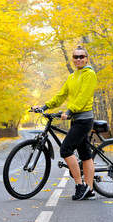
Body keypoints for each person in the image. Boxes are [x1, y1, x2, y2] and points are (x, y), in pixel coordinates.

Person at [33, 46, 97, 200]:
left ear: (87, 58)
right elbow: (60, 96)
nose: (78, 59)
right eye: (75, 57)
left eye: (81, 56)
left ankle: (80, 185)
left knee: (66, 149)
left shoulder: (90, 75)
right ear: (73, 59)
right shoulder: (72, 77)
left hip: (84, 119)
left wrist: (69, 111)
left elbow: (83, 98)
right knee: (85, 155)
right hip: (76, 119)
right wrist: (44, 106)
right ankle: (89, 189)